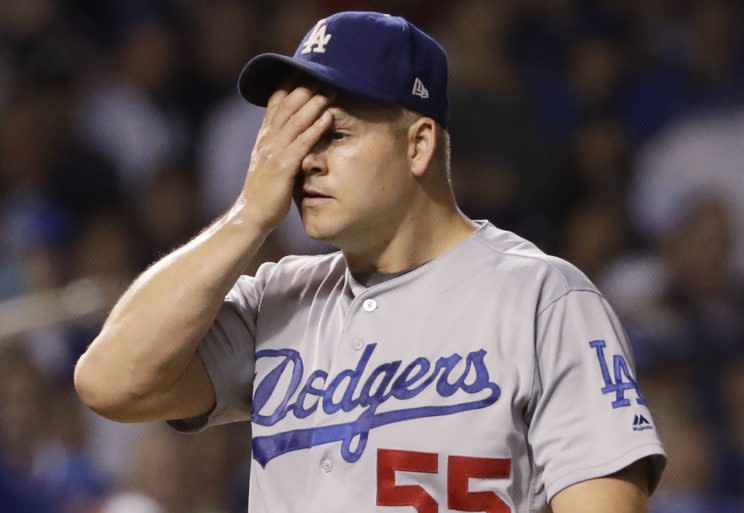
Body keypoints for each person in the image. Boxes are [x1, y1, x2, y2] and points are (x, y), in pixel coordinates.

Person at [74, 11, 666, 513]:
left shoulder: (541, 297)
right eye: (294, 138)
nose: (304, 161)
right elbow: (110, 383)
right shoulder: (277, 298)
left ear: (419, 144)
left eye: (332, 135)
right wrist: (247, 218)